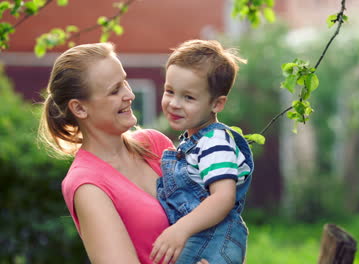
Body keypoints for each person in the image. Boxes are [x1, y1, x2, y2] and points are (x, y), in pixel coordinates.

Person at [37, 42, 208, 264]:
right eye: (115, 90)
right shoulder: (87, 185)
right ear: (79, 108)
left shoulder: (155, 145)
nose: (129, 94)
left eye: (125, 82)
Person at [150, 40, 254, 264]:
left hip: (212, 241)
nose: (174, 103)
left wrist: (180, 230)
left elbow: (223, 197)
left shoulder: (214, 142)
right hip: (202, 238)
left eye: (188, 97)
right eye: (170, 91)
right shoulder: (193, 142)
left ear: (217, 104)